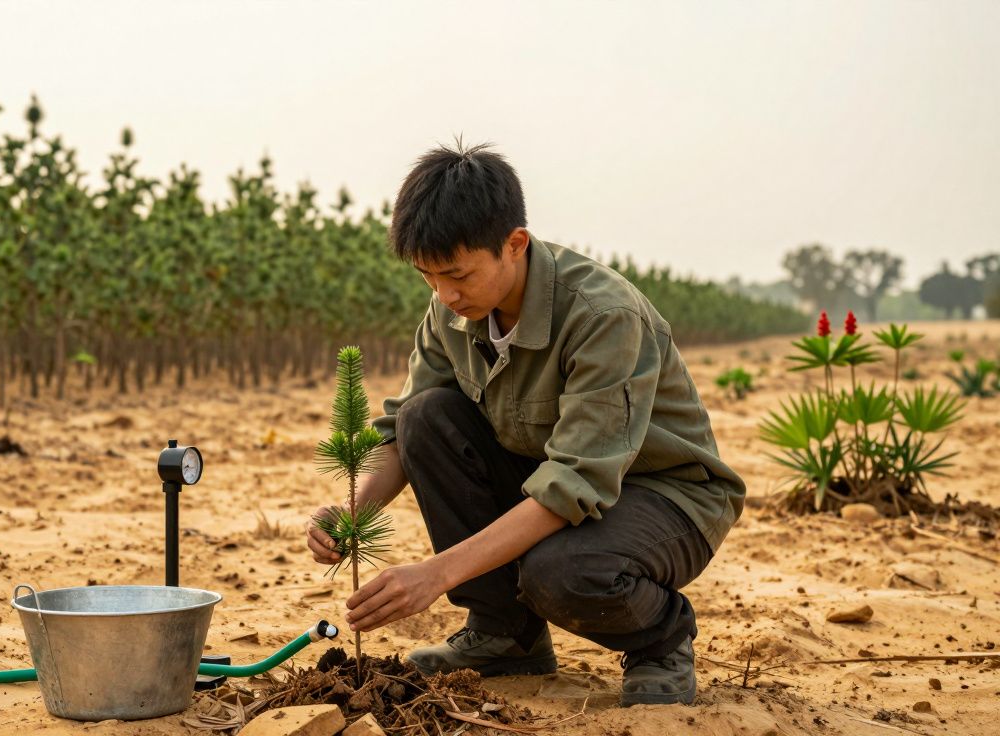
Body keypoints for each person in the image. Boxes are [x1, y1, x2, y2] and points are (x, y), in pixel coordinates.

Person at [304, 142, 746, 706]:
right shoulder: (451, 312)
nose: (444, 294)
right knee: (426, 417)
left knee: (561, 572)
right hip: (552, 479)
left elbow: (572, 485)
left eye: (457, 274)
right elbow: (401, 429)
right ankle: (505, 638)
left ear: (515, 244)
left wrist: (436, 575)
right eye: (428, 277)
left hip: (665, 495)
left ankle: (660, 639)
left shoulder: (601, 315)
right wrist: (353, 512)